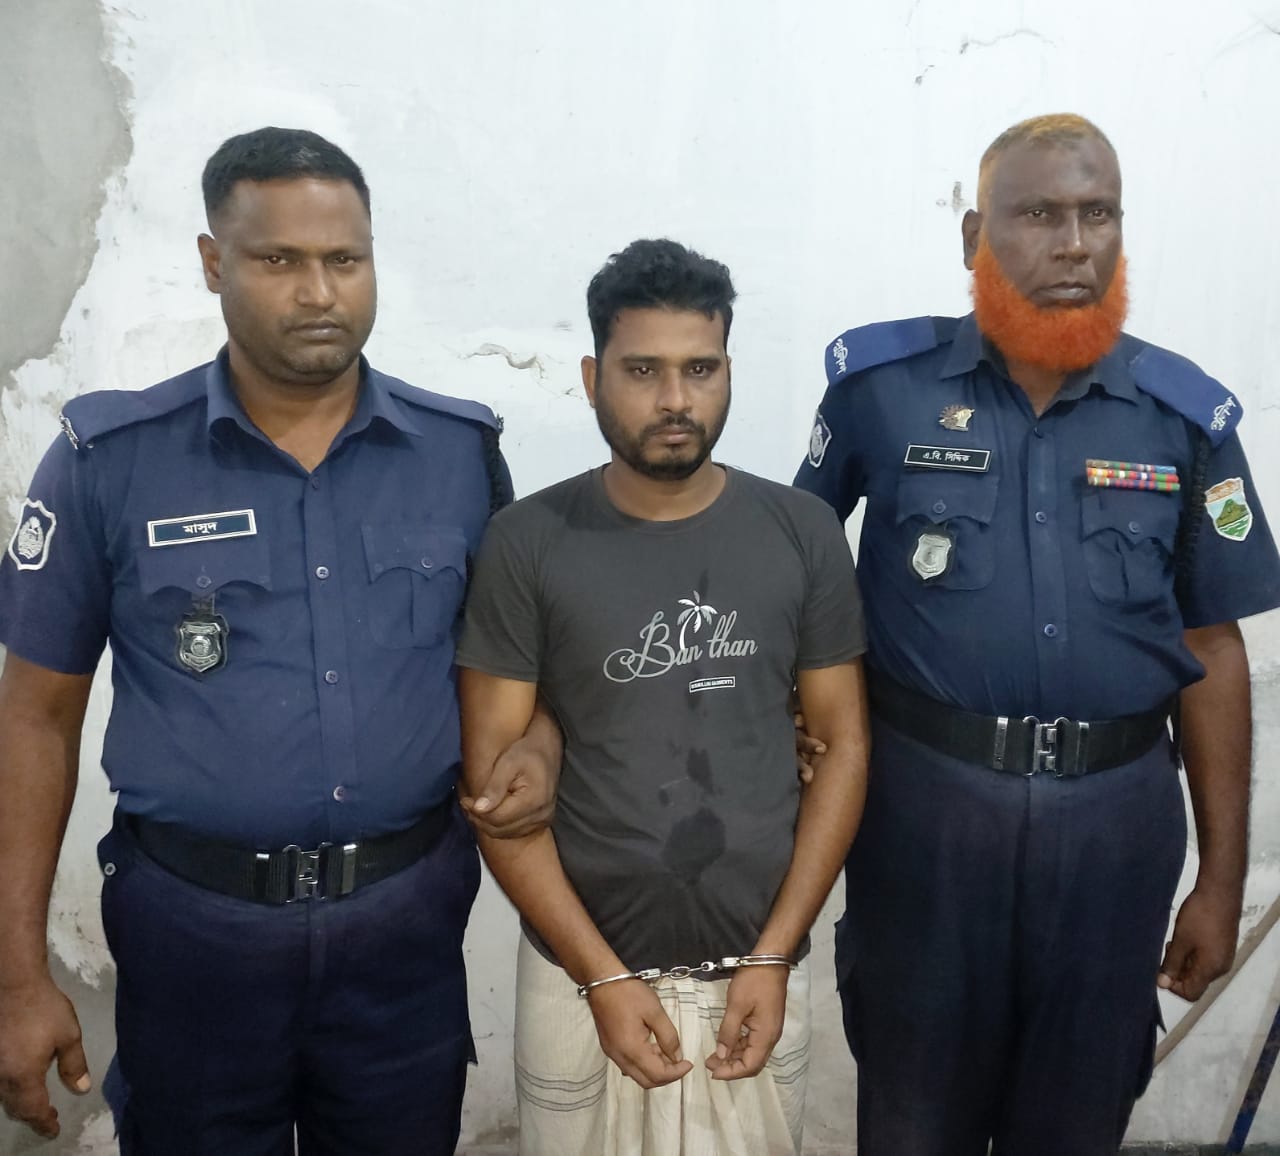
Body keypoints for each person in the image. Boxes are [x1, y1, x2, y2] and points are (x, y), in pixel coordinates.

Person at [0, 126, 558, 1155]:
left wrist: (545, 745)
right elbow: (33, 718)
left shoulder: (457, 454)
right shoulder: (109, 460)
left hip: (403, 934)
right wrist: (16, 975)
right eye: (278, 260)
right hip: (194, 939)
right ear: (214, 263)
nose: (318, 292)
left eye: (344, 259)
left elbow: (516, 672)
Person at [793, 112, 1280, 1155]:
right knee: (913, 1114)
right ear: (976, 234)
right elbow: (790, 566)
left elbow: (1213, 651)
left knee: (1077, 1115)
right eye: (1039, 216)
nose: (1074, 245)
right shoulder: (881, 390)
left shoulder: (1182, 417)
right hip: (925, 820)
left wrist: (1219, 882)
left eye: (1098, 214)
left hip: (1114, 831)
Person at [455, 238, 871, 1156]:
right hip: (576, 976)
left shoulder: (802, 532)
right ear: (591, 377)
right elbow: (495, 792)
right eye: (642, 370)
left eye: (700, 369)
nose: (676, 399)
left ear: (729, 372)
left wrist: (777, 950)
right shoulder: (526, 541)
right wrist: (600, 977)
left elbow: (842, 744)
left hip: (760, 973)